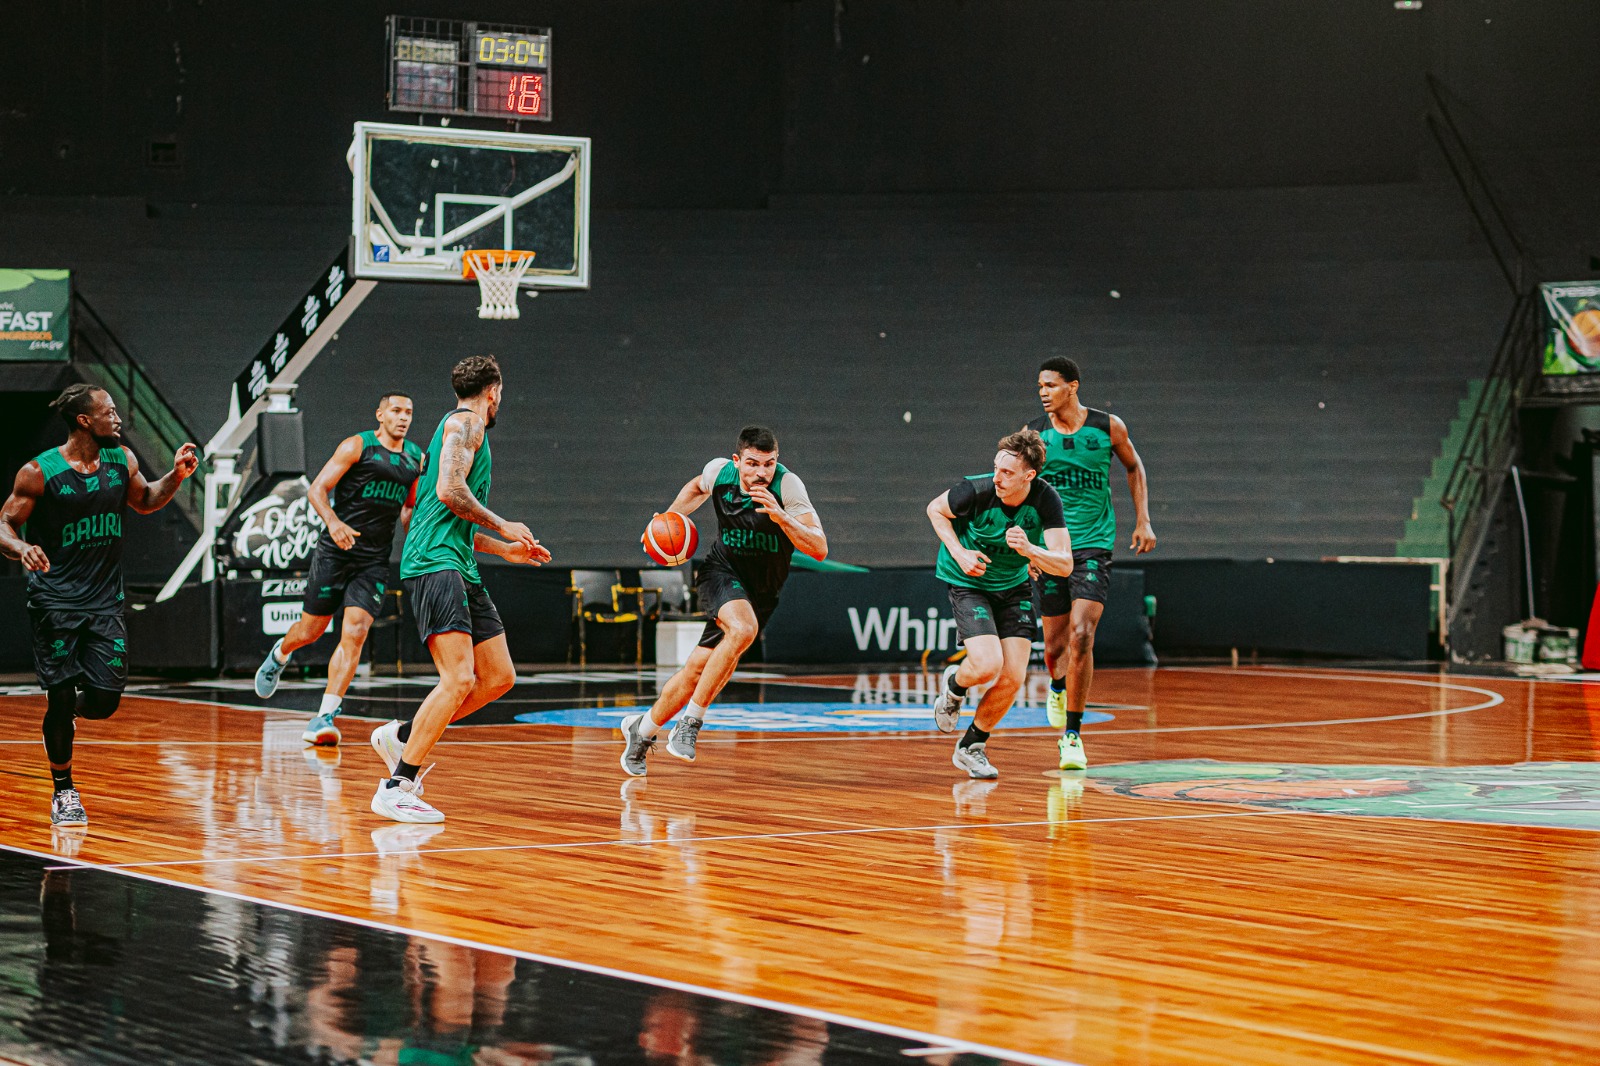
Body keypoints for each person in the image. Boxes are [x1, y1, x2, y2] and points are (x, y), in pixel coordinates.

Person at [0, 385, 197, 827]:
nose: (118, 418)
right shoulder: (40, 472)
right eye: (109, 412)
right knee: (59, 694)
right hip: (55, 601)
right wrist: (21, 548)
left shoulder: (121, 459)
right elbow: (4, 523)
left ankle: (66, 711)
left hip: (104, 601)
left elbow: (146, 500)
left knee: (105, 701)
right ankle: (64, 791)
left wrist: (175, 476)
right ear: (84, 421)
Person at [368, 355, 550, 823]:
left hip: (459, 563)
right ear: (494, 391)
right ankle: (397, 786)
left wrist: (503, 549)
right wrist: (504, 524)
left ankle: (402, 736)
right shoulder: (466, 424)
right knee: (458, 678)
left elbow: (449, 516)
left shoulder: (464, 429)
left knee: (498, 677)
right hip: (435, 564)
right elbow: (450, 491)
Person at [618, 426, 827, 776]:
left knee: (695, 671)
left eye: (769, 464)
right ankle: (690, 724)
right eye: (753, 463)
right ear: (737, 461)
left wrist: (782, 517)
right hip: (721, 571)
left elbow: (819, 548)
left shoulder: (788, 486)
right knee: (743, 629)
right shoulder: (720, 472)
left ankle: (642, 729)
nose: (761, 472)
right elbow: (696, 487)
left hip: (762, 590)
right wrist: (668, 518)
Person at [254, 392, 424, 746]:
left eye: (408, 412)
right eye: (396, 411)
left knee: (357, 629)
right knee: (311, 631)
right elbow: (318, 489)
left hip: (373, 560)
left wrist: (415, 539)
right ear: (380, 414)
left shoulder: (415, 458)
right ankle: (280, 653)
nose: (403, 417)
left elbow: (408, 507)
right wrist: (333, 523)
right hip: (336, 552)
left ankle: (324, 716)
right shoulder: (357, 446)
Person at [1027, 357, 1154, 771]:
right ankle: (1057, 685)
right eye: (1040, 386)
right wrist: (1028, 549)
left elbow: (1134, 466)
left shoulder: (1107, 427)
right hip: (1052, 548)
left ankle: (1072, 736)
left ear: (1073, 386)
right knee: (1054, 648)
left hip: (1094, 546)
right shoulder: (1036, 435)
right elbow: (1021, 493)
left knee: (1082, 635)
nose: (1043, 392)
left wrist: (1143, 520)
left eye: (1050, 385)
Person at [927, 429, 1074, 780]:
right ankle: (955, 686)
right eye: (996, 468)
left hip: (1014, 587)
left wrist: (1030, 550)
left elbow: (1065, 563)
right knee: (987, 664)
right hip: (969, 582)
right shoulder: (976, 490)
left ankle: (971, 746)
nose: (997, 477)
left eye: (1007, 472)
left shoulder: (1046, 500)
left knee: (1013, 676)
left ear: (1029, 476)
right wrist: (960, 553)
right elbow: (935, 509)